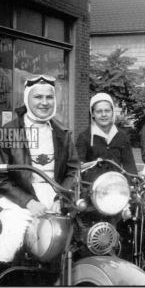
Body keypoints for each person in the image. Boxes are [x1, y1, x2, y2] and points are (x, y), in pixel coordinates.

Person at [0, 74, 80, 272]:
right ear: (27, 99)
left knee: (77, 239)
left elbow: (73, 170)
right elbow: (1, 177)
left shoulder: (62, 132)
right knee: (10, 241)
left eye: (49, 97)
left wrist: (61, 197)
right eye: (38, 97)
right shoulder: (11, 131)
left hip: (55, 198)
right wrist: (28, 202)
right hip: (19, 199)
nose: (44, 102)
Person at [75, 93, 137, 182]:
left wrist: (132, 186)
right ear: (92, 114)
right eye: (99, 111)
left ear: (112, 112)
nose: (104, 114)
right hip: (93, 188)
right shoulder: (84, 137)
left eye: (107, 110)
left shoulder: (121, 135)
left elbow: (130, 167)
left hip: (117, 186)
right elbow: (78, 168)